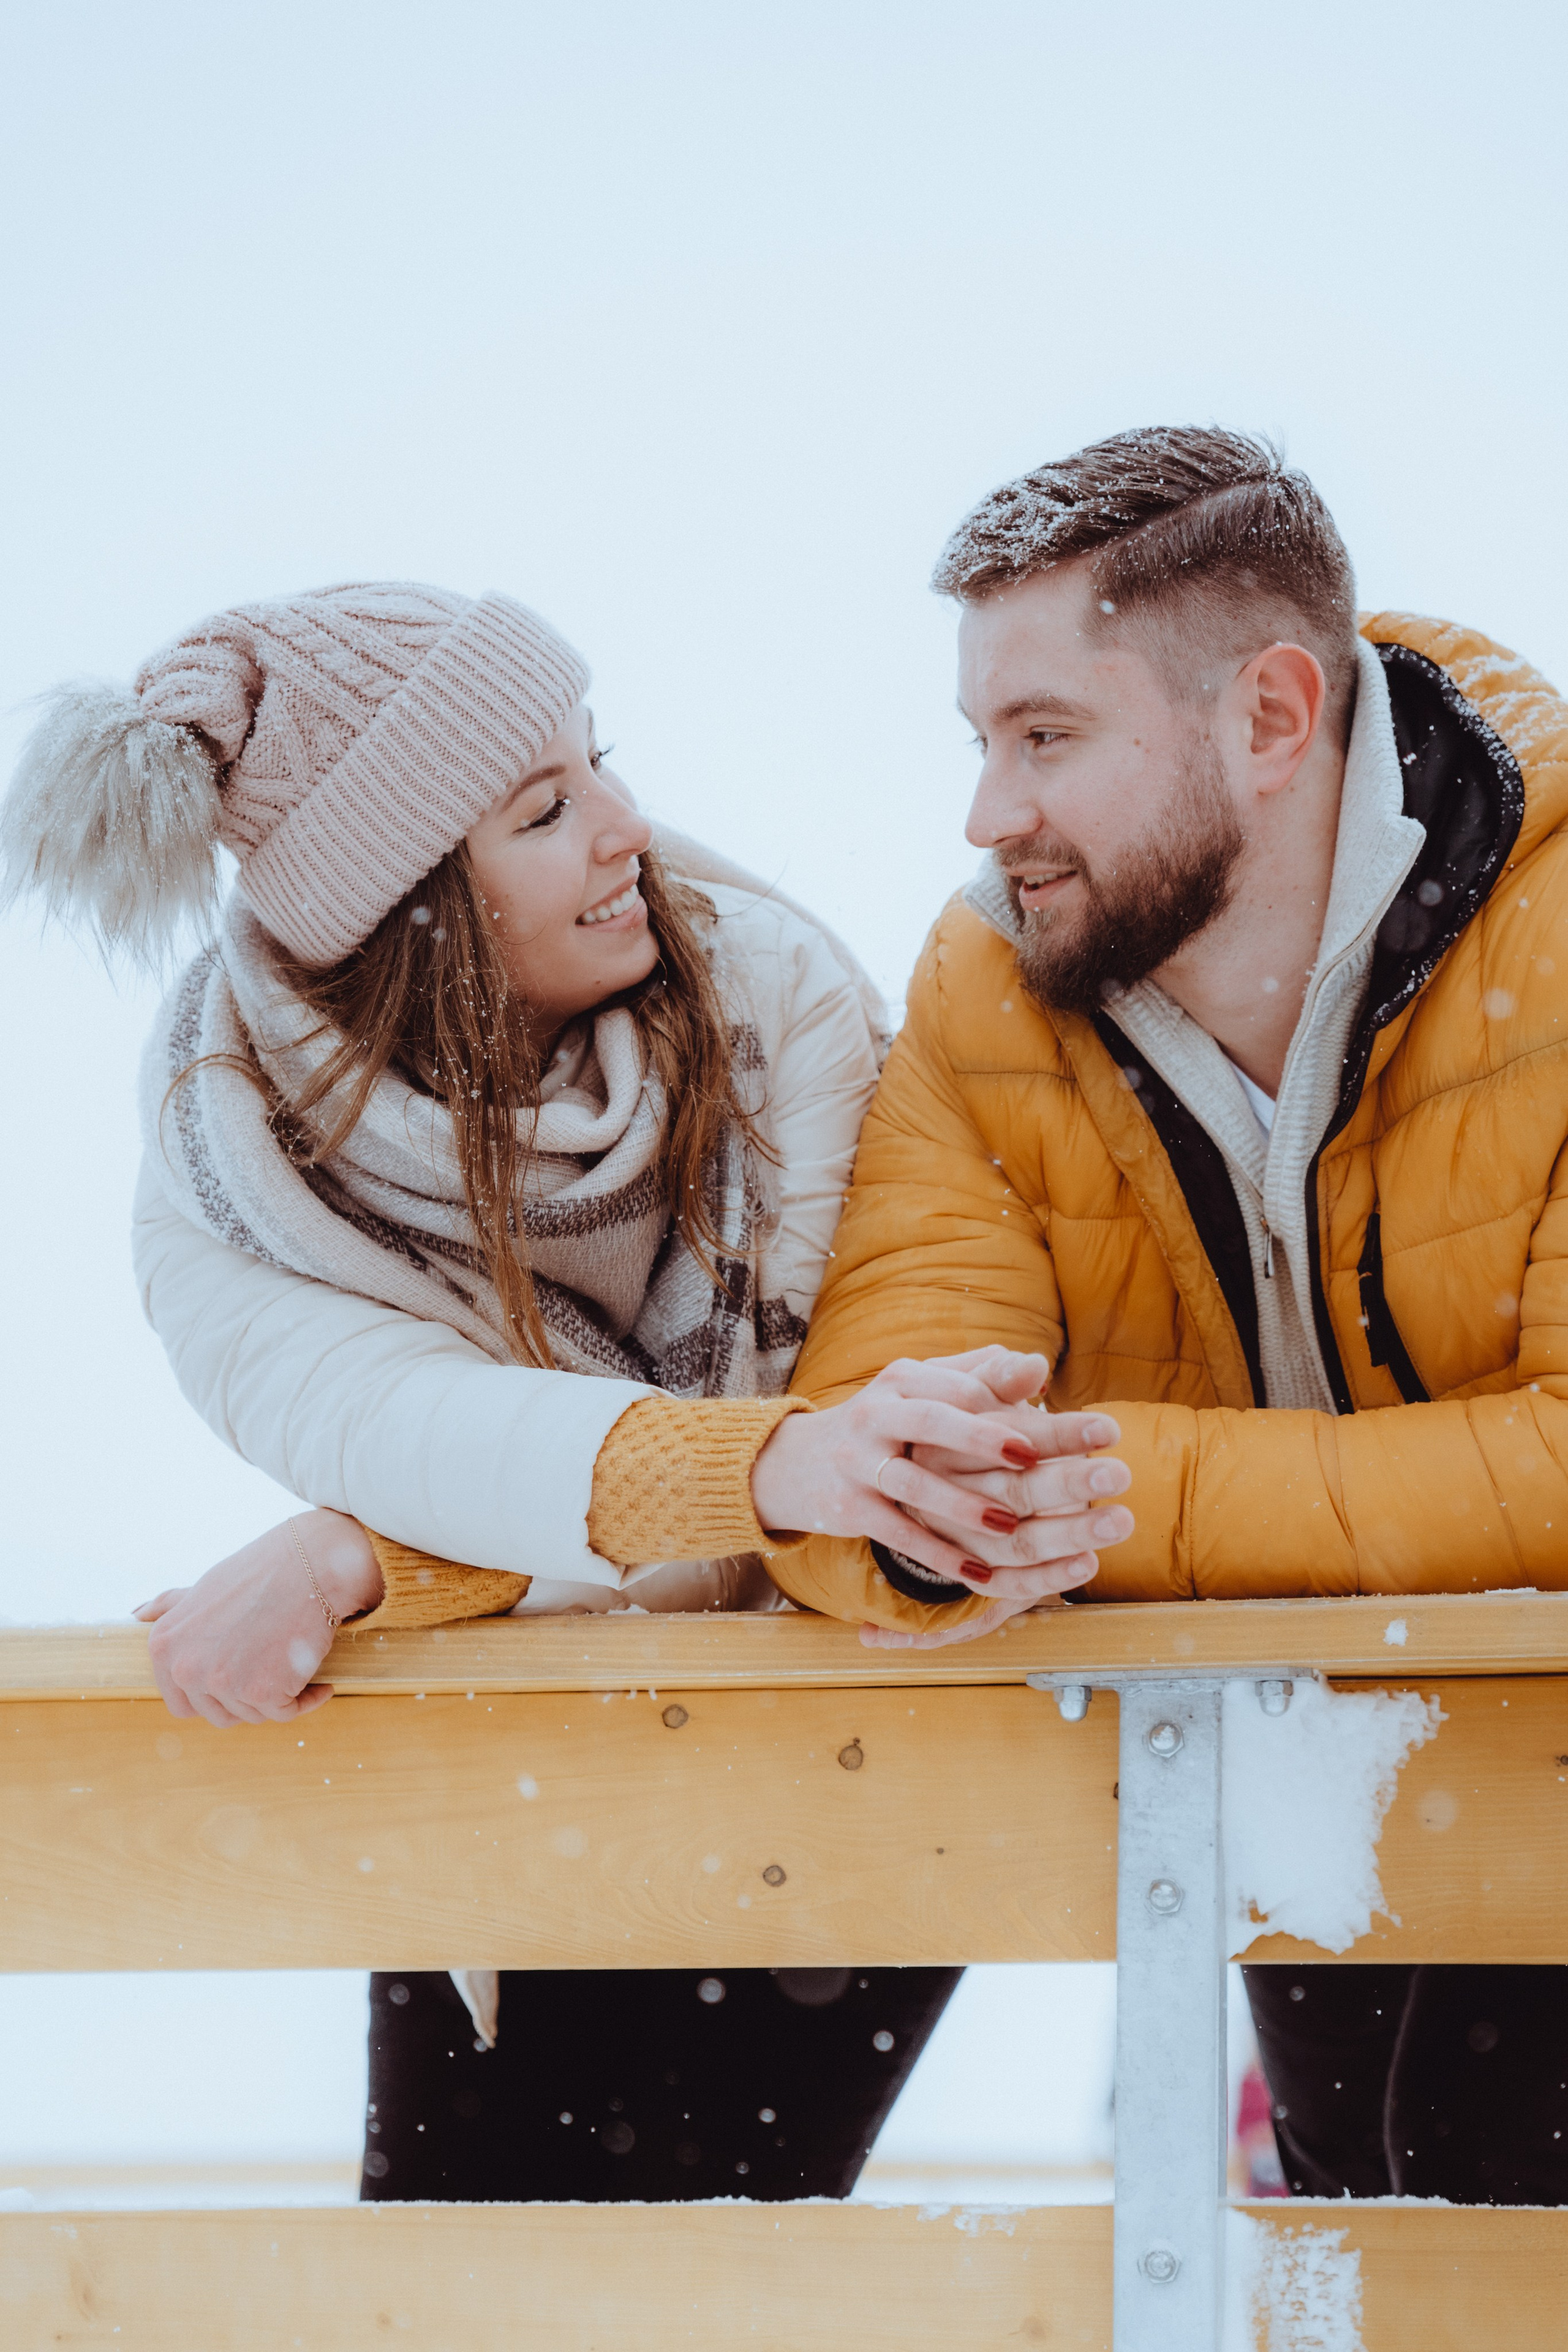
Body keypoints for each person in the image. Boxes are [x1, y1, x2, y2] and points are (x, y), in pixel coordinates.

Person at [0, 579, 1118, 2201]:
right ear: (412, 911)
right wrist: (414, 1539)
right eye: (546, 809)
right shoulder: (236, 1182)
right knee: (463, 2285)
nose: (629, 828)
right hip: (528, 1793)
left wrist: (366, 1562)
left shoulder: (777, 1004)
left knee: (729, 2296)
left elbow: (800, 1508)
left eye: (603, 764)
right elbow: (451, 1447)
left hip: (834, 1762)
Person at [737, 426, 1568, 2201]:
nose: (987, 812)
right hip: (1293, 1769)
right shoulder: (994, 990)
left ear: (1273, 718)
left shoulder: (1559, 939)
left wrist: (1117, 1492)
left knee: (1484, 2191)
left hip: (1539, 1760)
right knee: (1367, 2231)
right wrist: (924, 1517)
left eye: (1046, 739)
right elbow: (894, 1409)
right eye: (981, 741)